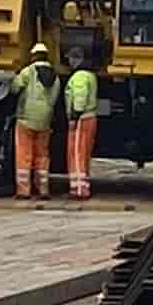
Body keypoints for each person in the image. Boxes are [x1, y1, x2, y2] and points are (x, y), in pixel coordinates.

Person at [13, 46, 60, 200]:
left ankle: (24, 190)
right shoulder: (55, 76)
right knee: (42, 155)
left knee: (24, 154)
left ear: (33, 56)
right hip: (45, 119)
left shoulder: (29, 71)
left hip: (26, 118)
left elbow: (15, 87)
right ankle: (43, 189)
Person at [62, 51, 101, 200]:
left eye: (71, 59)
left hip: (81, 119)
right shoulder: (90, 75)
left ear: (76, 59)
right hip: (89, 118)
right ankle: (81, 187)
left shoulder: (79, 76)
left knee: (76, 154)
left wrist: (75, 115)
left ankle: (79, 190)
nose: (69, 62)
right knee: (83, 155)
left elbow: (80, 96)